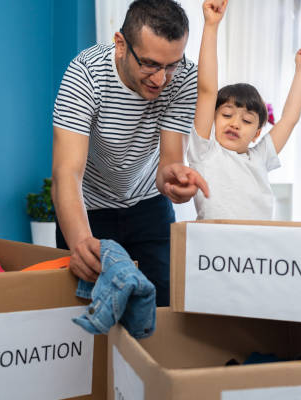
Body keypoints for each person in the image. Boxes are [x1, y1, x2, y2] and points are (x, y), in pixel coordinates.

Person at [51, 0, 209, 307]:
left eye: (171, 65)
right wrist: (82, 242)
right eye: (150, 64)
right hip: (88, 211)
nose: (161, 80)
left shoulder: (185, 76)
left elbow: (169, 163)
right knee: (85, 320)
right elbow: (66, 173)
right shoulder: (86, 73)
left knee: (161, 311)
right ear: (121, 44)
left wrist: (175, 179)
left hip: (149, 206)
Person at [189, 0, 301, 220]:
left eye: (247, 121)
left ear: (257, 133)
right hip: (212, 248)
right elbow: (207, 90)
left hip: (256, 247)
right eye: (227, 115)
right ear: (213, 118)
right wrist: (211, 25)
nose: (235, 123)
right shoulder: (204, 151)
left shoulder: (260, 157)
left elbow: (289, 119)